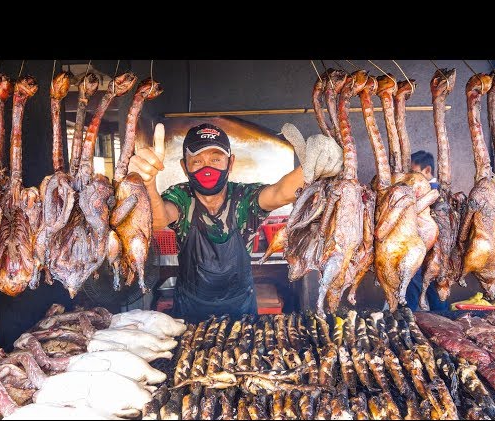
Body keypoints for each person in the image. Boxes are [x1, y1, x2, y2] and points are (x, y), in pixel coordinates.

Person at [128, 122, 342, 323]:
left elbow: (280, 193)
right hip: (191, 309)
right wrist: (147, 182)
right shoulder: (182, 197)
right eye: (197, 161)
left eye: (215, 159)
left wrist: (309, 169)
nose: (207, 167)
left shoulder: (244, 197)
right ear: (185, 167)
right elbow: (158, 219)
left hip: (240, 310)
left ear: (230, 163)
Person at [406, 151, 448, 311]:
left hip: (435, 253)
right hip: (417, 249)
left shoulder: (437, 191)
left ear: (427, 171)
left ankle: (444, 327)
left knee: (436, 295)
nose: (412, 178)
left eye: (415, 173)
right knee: (412, 292)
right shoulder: (415, 190)